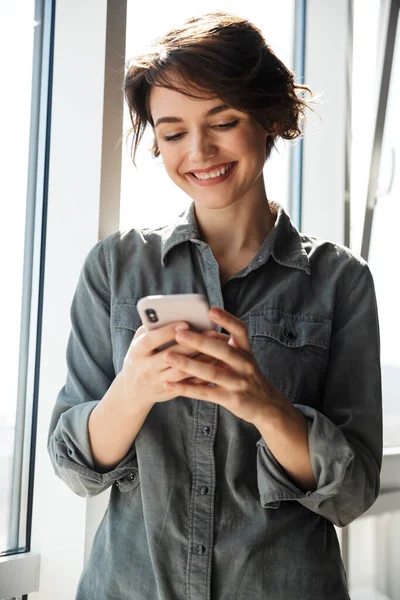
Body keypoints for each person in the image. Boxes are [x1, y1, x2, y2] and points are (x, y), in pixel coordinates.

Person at [48, 10, 382, 600]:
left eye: (223, 121)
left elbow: (351, 494)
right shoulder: (116, 266)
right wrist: (135, 387)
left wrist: (263, 403)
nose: (198, 151)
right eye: (173, 132)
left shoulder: (341, 281)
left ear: (272, 116)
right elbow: (76, 468)